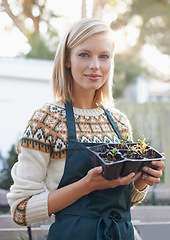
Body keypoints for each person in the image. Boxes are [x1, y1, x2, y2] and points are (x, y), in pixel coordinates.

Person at [7, 18, 165, 240]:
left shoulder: (119, 122)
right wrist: (87, 185)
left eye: (104, 56)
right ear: (67, 60)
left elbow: (124, 200)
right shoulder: (47, 120)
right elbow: (21, 210)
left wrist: (142, 180)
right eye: (84, 54)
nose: (95, 66)